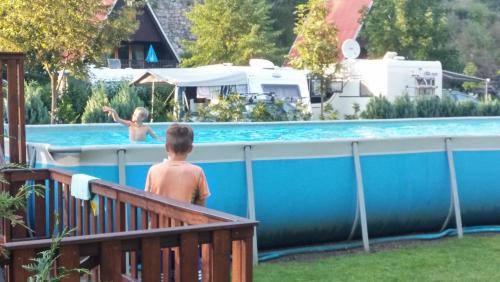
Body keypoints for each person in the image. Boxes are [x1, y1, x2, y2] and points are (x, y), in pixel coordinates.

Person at [145, 123, 210, 206]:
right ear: (190, 149)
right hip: (185, 219)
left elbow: (148, 201)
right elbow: (201, 205)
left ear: (167, 147)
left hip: (158, 219)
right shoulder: (197, 172)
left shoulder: (153, 170)